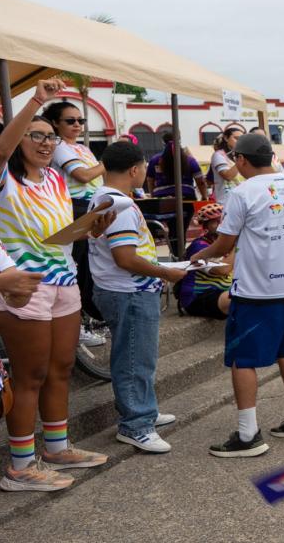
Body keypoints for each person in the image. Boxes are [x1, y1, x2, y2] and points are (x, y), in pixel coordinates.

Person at [0, 79, 113, 492]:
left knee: (61, 368)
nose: (46, 143)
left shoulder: (55, 180)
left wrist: (90, 228)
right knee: (30, 374)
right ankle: (20, 466)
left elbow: (60, 233)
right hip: (23, 286)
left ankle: (57, 446)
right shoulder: (5, 178)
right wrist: (36, 102)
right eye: (37, 135)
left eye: (50, 137)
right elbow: (0, 150)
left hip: (64, 281)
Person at [190, 134, 284, 457]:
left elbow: (224, 243)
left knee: (242, 359)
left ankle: (248, 435)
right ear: (272, 155)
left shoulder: (243, 192)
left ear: (242, 160)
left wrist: (198, 257)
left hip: (258, 289)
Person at [88, 142, 187, 453]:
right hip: (128, 292)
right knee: (134, 359)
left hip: (124, 290)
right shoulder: (120, 207)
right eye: (145, 167)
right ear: (134, 169)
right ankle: (136, 424)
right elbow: (125, 258)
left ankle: (144, 410)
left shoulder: (104, 198)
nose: (147, 172)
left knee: (138, 356)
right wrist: (165, 273)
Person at [44, 101, 108, 339]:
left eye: (81, 120)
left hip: (91, 207)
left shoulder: (81, 148)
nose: (77, 125)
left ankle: (84, 318)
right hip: (74, 208)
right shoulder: (59, 146)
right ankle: (76, 325)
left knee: (88, 268)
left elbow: (96, 178)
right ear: (55, 124)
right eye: (70, 121)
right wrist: (108, 162)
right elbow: (82, 175)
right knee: (77, 268)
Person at [178, 204, 234, 319]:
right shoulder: (199, 246)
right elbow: (223, 269)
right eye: (215, 222)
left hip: (219, 293)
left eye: (222, 220)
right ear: (205, 226)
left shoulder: (226, 244)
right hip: (197, 297)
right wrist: (238, 244)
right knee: (239, 299)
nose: (220, 225)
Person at [146, 132, 208, 200]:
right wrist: (204, 196)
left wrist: (153, 195)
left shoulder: (154, 160)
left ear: (163, 143)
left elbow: (150, 181)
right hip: (186, 196)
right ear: (179, 141)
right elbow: (200, 182)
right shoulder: (190, 160)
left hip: (161, 197)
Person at [211, 127, 244, 205]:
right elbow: (228, 176)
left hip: (242, 200)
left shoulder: (237, 155)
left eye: (241, 139)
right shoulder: (219, 155)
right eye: (236, 138)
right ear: (226, 138)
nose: (239, 142)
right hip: (226, 202)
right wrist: (241, 158)